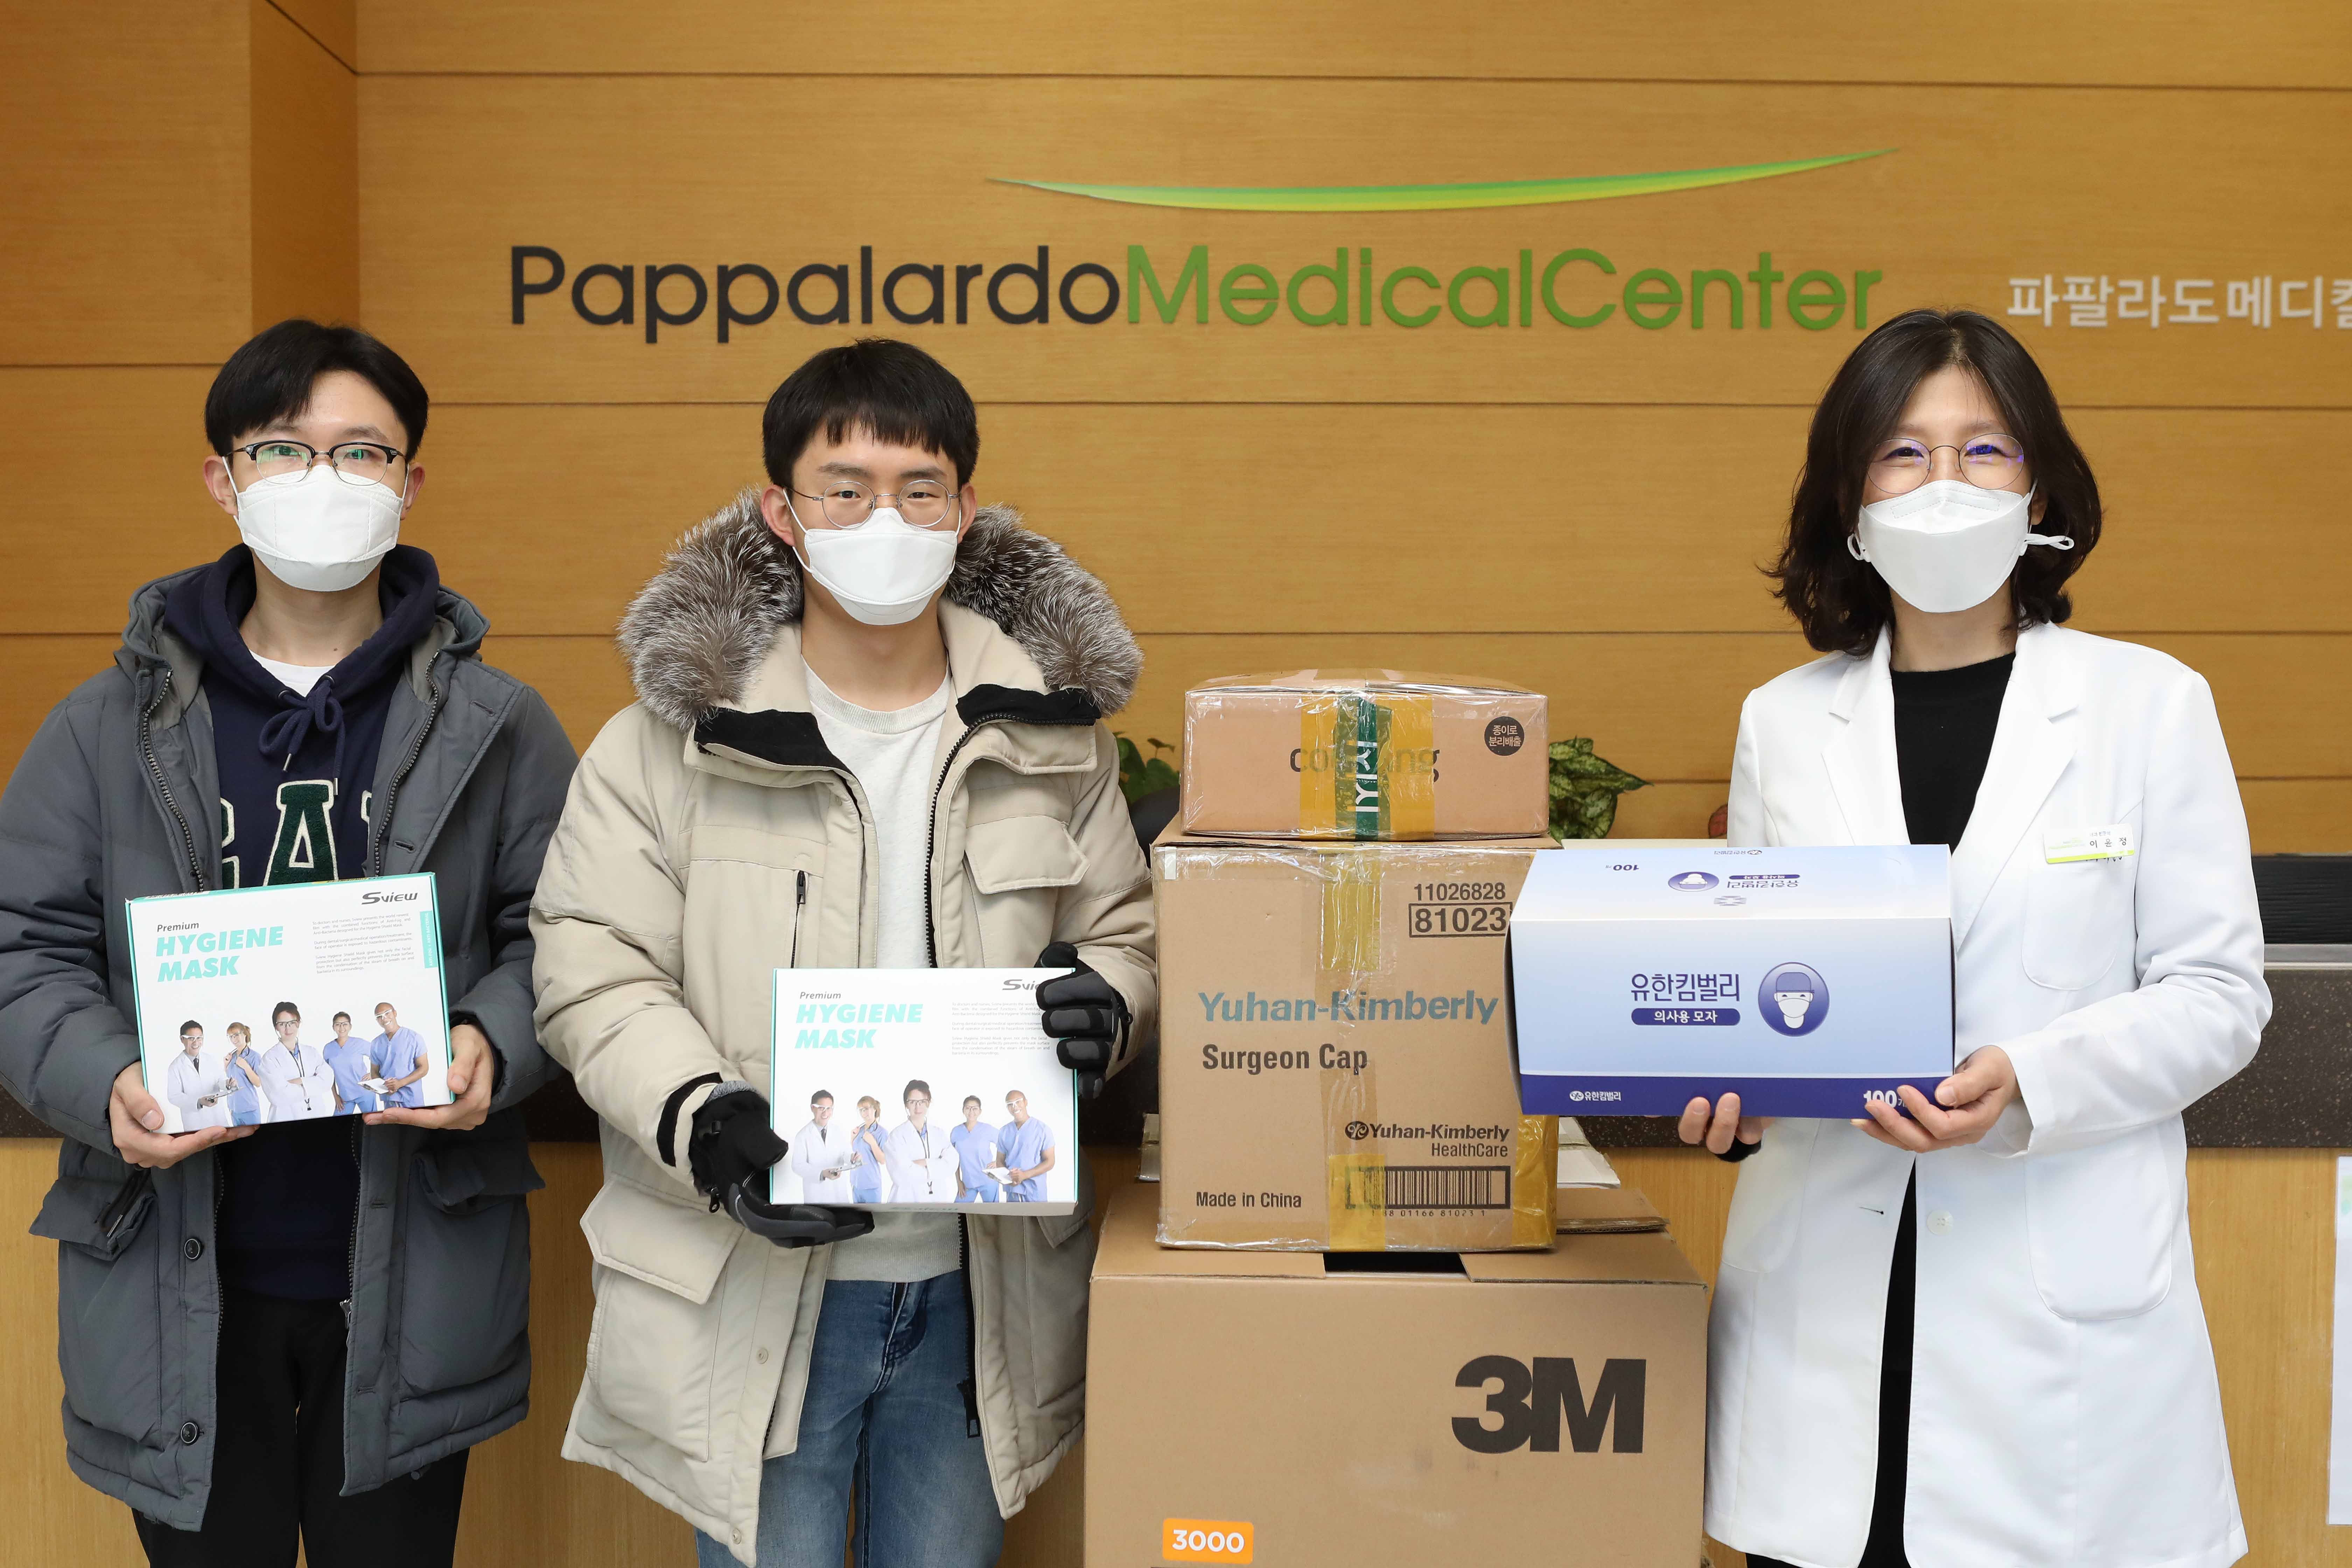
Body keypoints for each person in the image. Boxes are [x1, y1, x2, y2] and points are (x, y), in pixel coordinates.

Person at [531, 337, 1156, 1567]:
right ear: (783, 510)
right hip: (756, 1285)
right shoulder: (668, 742)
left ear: (966, 510)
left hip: (984, 1294)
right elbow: (589, 960)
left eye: (920, 488)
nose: (887, 518)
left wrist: (1113, 1001)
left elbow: (1122, 934)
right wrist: (703, 1120)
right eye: (846, 487)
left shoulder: (1054, 739)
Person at [1680, 308, 2268, 1568]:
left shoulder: (2144, 706)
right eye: (1899, 453)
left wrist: (2028, 1080)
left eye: (1981, 450)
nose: (1941, 484)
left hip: (2052, 1331)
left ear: (2036, 485)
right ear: (1847, 496)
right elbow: (1755, 989)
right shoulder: (1782, 721)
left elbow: (2216, 994)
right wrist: (1731, 1099)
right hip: (1827, 1320)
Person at [0, 318, 577, 1567]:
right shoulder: (105, 726)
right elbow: (22, 947)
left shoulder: (500, 724)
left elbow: (566, 934)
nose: (323, 481)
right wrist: (103, 1077)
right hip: (172, 1270)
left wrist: (493, 1039)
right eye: (281, 449)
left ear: (412, 481)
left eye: (362, 451)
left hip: (413, 1268)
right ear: (222, 478)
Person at [255, 1002, 337, 1121]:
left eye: (292, 1023)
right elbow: (279, 1095)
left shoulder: (312, 1052)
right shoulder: (269, 1059)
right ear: (276, 1027)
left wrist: (299, 1082)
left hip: (317, 1114)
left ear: (298, 1023)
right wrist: (313, 1084)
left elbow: (328, 1080)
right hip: (285, 1119)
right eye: (282, 1024)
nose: (288, 1029)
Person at [882, 1079, 957, 1203]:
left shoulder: (939, 1134)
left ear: (929, 1103)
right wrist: (938, 1165)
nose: (918, 1107)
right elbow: (902, 1175)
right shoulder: (896, 1137)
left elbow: (953, 1163)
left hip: (937, 1200)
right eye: (913, 1102)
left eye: (922, 1102)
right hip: (906, 1201)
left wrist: (924, 1163)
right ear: (906, 1104)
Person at [788, 1091, 855, 1202]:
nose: (825, 1113)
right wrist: (822, 1174)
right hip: (816, 1195)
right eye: (821, 1108)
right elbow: (797, 1165)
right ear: (813, 1108)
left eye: (829, 1109)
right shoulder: (803, 1135)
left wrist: (852, 1158)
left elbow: (846, 1154)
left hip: (838, 1193)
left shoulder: (839, 1131)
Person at [164, 1022, 231, 1133]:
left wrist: (228, 1084)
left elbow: (220, 1081)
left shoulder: (211, 1059)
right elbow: (174, 1096)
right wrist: (199, 1102)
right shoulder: (175, 1067)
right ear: (182, 1039)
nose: (196, 1042)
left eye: (199, 1038)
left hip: (218, 1119)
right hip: (195, 1124)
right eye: (191, 1038)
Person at [995, 1090, 1055, 1204]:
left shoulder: (1042, 1130)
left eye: (1018, 1102)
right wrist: (1007, 1176)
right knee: (1013, 1221)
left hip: (1035, 1192)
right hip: (1012, 1191)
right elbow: (999, 1161)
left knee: (1037, 1220)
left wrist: (1025, 1175)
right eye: (1010, 1104)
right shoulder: (1004, 1132)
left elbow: (1050, 1162)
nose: (1015, 1107)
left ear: (1026, 1102)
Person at [369, 1001, 430, 1108]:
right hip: (390, 1100)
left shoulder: (414, 1038)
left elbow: (424, 1068)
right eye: (379, 1017)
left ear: (395, 1014)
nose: (384, 1019)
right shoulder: (376, 1044)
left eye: (387, 1013)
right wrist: (384, 1087)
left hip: (412, 1099)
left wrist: (400, 1083)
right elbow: (374, 1072)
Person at [322, 1010, 379, 1115]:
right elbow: (328, 1075)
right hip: (345, 1097)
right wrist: (336, 1097)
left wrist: (373, 1074)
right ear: (333, 1027)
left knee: (373, 1121)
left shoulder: (360, 1043)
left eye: (345, 1024)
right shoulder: (328, 1049)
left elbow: (380, 1056)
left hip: (365, 1092)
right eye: (338, 1025)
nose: (342, 1028)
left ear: (350, 1026)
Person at [949, 1096, 998, 1203]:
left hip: (988, 1180)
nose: (971, 1111)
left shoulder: (988, 1129)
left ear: (980, 1111)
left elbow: (1006, 1145)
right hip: (968, 1183)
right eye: (968, 1108)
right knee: (958, 1213)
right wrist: (959, 1182)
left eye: (975, 1108)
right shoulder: (956, 1132)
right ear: (963, 1110)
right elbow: (953, 1159)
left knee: (993, 1215)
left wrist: (998, 1162)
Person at [221, 1023, 268, 1128]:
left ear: (245, 1034)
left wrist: (246, 1067)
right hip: (234, 1109)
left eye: (236, 1035)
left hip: (249, 1109)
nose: (234, 1039)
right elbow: (231, 1080)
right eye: (231, 1037)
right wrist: (226, 1065)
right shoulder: (231, 1057)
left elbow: (258, 1083)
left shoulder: (254, 1056)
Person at [847, 1096, 888, 1204]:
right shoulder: (859, 1131)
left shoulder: (882, 1133)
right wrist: (852, 1138)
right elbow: (857, 1152)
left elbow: (883, 1160)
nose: (864, 1112)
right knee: (858, 1219)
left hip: (871, 1186)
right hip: (856, 1184)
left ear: (874, 1109)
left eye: (867, 1108)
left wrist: (872, 1142)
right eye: (861, 1110)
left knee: (873, 1219)